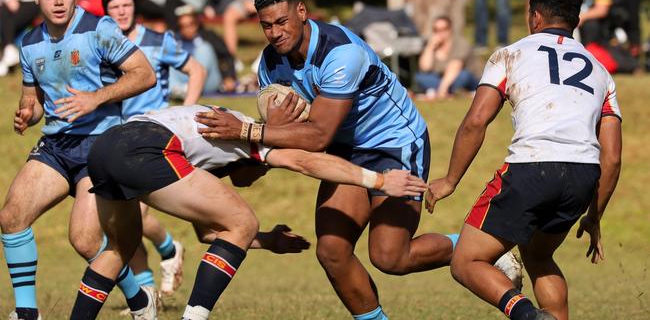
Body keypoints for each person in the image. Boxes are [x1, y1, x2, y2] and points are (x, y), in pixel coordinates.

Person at [195, 0, 520, 320]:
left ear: (302, 12)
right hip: (345, 148)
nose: (274, 33)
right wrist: (259, 141)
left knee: (390, 257)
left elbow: (317, 135)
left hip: (394, 143)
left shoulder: (340, 52)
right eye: (266, 25)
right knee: (332, 251)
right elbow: (284, 138)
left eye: (281, 22)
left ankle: (479, 250)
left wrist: (252, 130)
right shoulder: (269, 65)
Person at [68, 102, 429, 320]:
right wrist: (379, 182)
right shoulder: (251, 137)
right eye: (262, 171)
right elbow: (307, 161)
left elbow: (209, 232)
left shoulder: (204, 152)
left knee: (119, 248)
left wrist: (268, 242)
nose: (257, 176)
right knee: (243, 219)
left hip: (107, 147)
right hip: (148, 148)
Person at [425, 0, 622, 320]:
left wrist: (450, 180)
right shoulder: (600, 71)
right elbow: (613, 156)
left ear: (535, 17)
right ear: (575, 20)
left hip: (532, 168)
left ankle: (528, 316)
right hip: (582, 175)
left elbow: (476, 121)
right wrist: (594, 215)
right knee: (539, 256)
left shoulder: (511, 53)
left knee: (467, 261)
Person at [0, 0, 157, 320]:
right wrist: (27, 114)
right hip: (56, 147)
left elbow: (144, 74)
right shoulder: (29, 43)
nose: (58, 1)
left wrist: (96, 98)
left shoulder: (98, 28)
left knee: (85, 240)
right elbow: (34, 101)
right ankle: (27, 313)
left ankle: (138, 299)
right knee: (11, 217)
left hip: (100, 146)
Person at [101, 0, 207, 295]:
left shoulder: (158, 41)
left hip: (152, 133)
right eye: (114, 7)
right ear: (106, 11)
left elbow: (197, 70)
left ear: (135, 7)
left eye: (126, 5)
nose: (121, 12)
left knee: (133, 216)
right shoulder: (102, 43)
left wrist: (186, 114)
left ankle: (168, 249)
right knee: (123, 222)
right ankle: (149, 291)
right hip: (117, 137)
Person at [416, 15, 479, 100]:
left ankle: (440, 92)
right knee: (420, 77)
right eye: (436, 30)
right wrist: (430, 47)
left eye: (443, 29)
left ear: (450, 29)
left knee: (463, 76)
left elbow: (455, 66)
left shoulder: (460, 43)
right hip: (442, 80)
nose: (439, 33)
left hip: (463, 77)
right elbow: (425, 68)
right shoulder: (432, 46)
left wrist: (442, 89)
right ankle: (453, 92)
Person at [0, 0, 41, 77]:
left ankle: (8, 50)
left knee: (6, 17)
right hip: (11, 0)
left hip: (31, 0)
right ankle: (9, 50)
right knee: (3, 11)